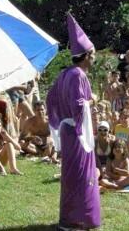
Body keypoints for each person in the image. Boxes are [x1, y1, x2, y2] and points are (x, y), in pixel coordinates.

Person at [46, 13, 100, 229]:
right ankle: (80, 219)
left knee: (72, 176)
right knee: (80, 175)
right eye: (93, 54)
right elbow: (79, 105)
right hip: (77, 133)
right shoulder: (78, 75)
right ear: (86, 55)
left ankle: (71, 218)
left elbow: (51, 98)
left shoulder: (64, 74)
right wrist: (92, 100)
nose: (94, 58)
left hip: (68, 130)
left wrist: (60, 119)